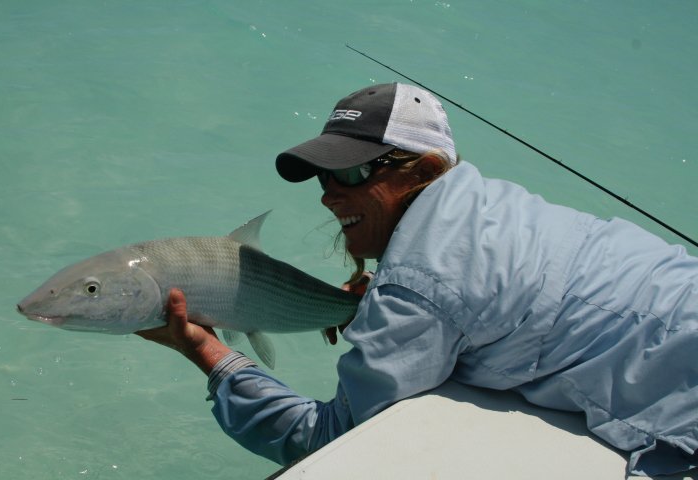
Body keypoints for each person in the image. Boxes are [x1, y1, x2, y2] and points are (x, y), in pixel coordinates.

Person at [137, 82, 698, 476]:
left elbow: (331, 443)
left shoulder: (419, 287)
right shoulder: (496, 204)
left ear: (427, 170)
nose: (330, 193)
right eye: (322, 176)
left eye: (352, 172)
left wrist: (208, 352)